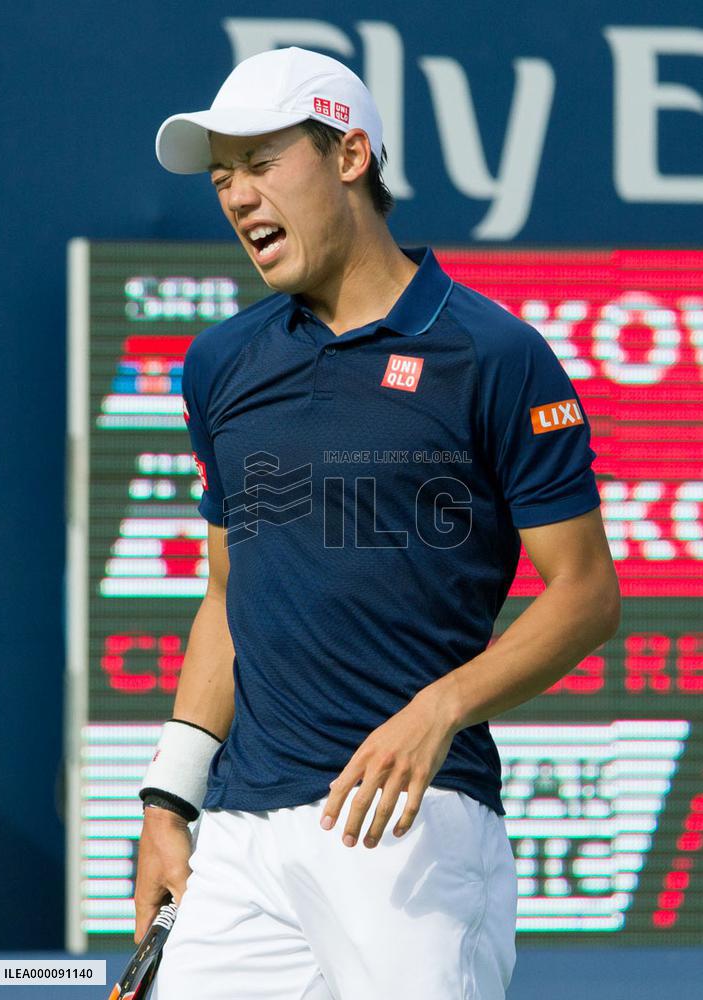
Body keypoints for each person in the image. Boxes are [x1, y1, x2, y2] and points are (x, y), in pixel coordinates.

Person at [135, 46, 621, 1000]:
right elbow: (227, 595)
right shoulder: (219, 366)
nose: (236, 196)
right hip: (240, 838)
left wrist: (441, 707)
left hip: (410, 826)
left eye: (262, 162)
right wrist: (169, 799)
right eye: (223, 176)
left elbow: (586, 593)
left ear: (350, 155)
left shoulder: (496, 354)